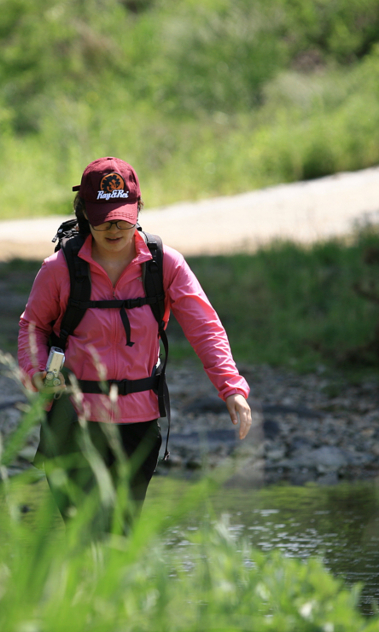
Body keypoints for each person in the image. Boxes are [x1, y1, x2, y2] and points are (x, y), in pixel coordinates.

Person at [18, 156, 253, 534]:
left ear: (138, 208)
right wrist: (36, 373)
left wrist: (231, 388)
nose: (114, 226)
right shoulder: (59, 269)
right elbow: (33, 327)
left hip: (137, 425)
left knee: (119, 541)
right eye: (103, 216)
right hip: (71, 421)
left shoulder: (165, 265)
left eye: (123, 215)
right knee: (84, 538)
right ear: (85, 213)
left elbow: (206, 328)